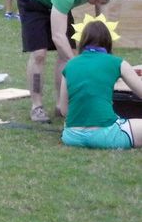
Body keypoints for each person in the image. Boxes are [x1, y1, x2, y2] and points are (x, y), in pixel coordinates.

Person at [18, 0, 118, 124]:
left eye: (101, 1)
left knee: (69, 51)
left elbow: (101, 22)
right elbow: (58, 37)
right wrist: (79, 65)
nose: (95, 3)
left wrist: (104, 51)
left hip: (56, 1)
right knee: (39, 54)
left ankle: (60, 104)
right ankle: (37, 106)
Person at [59, 17, 142, 148]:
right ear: (108, 41)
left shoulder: (69, 66)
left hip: (71, 135)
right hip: (106, 134)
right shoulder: (117, 63)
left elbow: (64, 110)